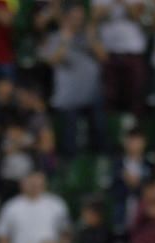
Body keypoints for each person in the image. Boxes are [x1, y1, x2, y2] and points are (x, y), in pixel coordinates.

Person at [40, 4, 106, 159]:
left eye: (80, 18)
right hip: (69, 99)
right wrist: (65, 39)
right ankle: (69, 174)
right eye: (74, 18)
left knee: (100, 138)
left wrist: (91, 38)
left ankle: (99, 169)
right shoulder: (55, 37)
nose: (78, 21)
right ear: (66, 18)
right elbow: (53, 60)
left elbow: (104, 57)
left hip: (92, 96)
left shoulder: (89, 36)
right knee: (70, 143)